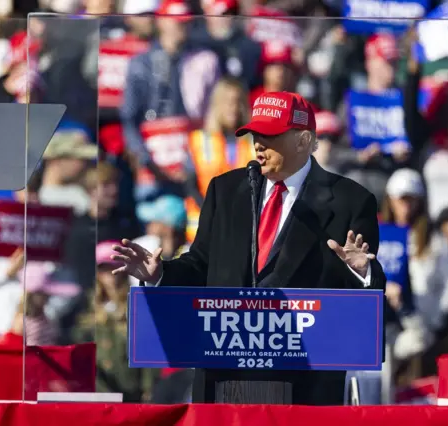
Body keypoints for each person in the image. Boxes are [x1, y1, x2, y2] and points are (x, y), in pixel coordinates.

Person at [111, 91, 386, 405]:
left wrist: (362, 272)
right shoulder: (226, 190)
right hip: (226, 379)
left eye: (270, 136)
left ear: (303, 140)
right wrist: (161, 273)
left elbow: (363, 308)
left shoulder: (351, 201)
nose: (258, 144)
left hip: (305, 385)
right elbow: (201, 264)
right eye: (255, 134)